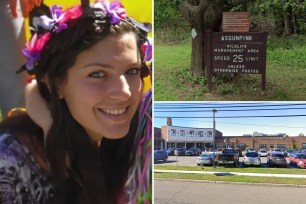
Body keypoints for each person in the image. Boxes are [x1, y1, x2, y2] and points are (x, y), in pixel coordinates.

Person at [0, 0, 152, 203]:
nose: (124, 92)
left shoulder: (144, 128)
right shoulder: (12, 164)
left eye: (132, 71)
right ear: (57, 84)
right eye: (98, 74)